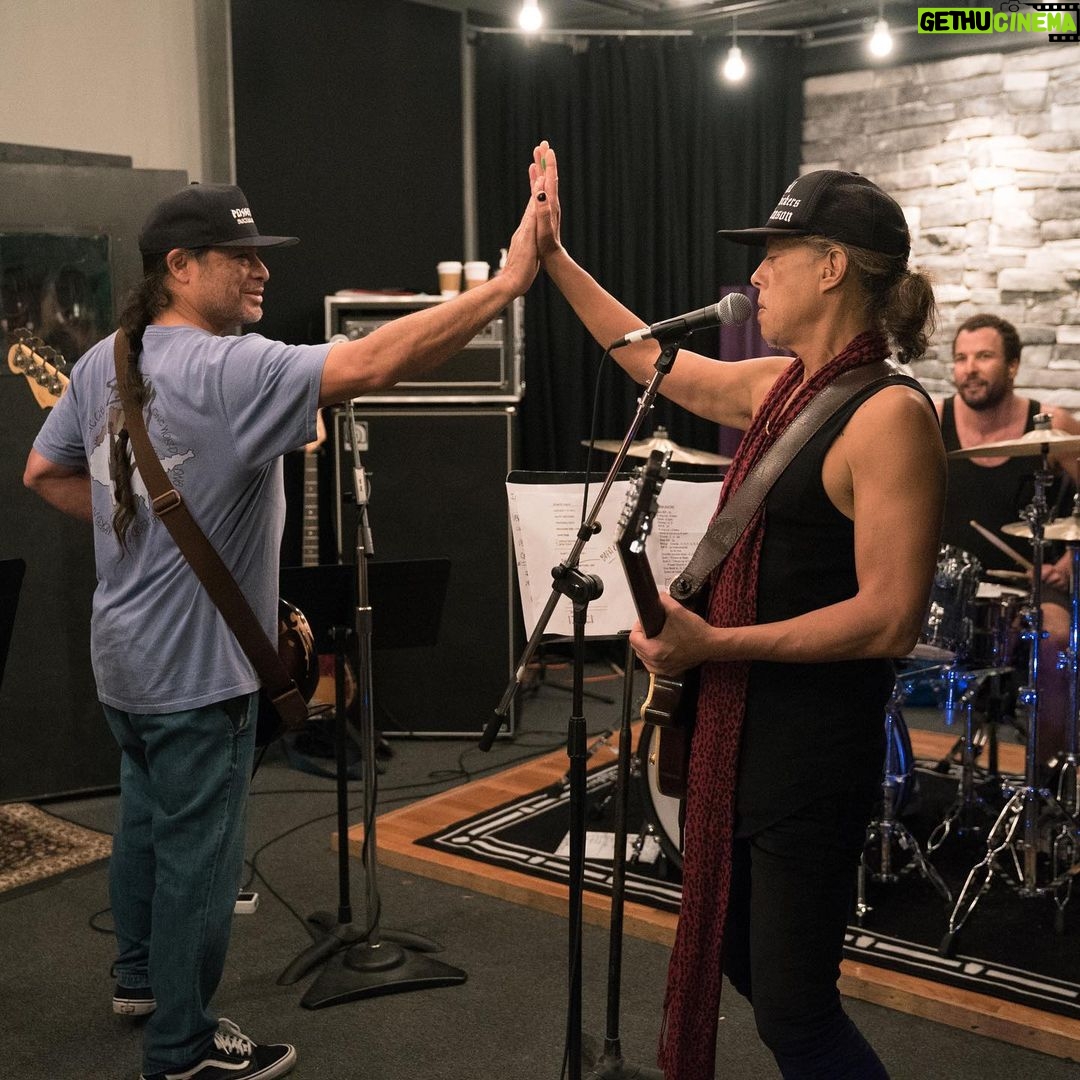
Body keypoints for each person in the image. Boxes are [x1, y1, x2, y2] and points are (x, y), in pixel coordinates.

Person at [23, 181, 538, 1080]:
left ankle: (138, 981)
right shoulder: (234, 367)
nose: (261, 271)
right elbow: (379, 362)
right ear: (180, 267)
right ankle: (181, 1050)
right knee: (199, 860)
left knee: (143, 823)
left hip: (124, 663)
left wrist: (132, 529)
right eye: (241, 257)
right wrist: (504, 289)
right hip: (199, 674)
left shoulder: (108, 356)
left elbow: (43, 472)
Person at [529, 142, 945, 1079]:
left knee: (797, 1014)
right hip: (738, 735)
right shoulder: (779, 386)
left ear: (831, 266)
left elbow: (890, 619)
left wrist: (715, 641)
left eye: (773, 255)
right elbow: (649, 359)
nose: (755, 274)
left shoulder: (890, 416)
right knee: (746, 964)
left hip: (810, 754)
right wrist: (554, 260)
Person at [938, 313, 1080, 764]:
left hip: (1029, 590)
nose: (970, 369)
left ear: (1013, 365)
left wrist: (1070, 562)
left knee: (1056, 641)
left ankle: (1047, 777)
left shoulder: (1053, 425)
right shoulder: (933, 418)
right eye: (961, 358)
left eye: (984, 356)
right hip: (947, 588)